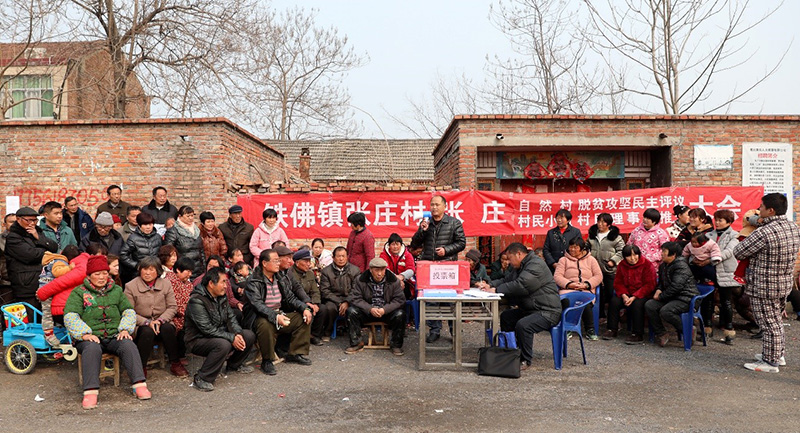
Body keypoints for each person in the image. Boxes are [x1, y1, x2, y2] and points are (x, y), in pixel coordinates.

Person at [63, 255, 151, 409]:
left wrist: (124, 329)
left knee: (128, 345)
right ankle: (90, 392)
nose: (102, 277)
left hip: (113, 334)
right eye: (97, 274)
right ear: (89, 276)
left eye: (104, 273)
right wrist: (84, 333)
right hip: (89, 337)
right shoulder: (79, 292)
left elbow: (128, 311)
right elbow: (70, 315)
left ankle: (139, 384)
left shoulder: (116, 290)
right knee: (91, 349)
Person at [735, 193, 800, 373]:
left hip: (764, 285)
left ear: (770, 210)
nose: (759, 210)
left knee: (768, 324)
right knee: (776, 321)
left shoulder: (765, 232)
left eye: (761, 207)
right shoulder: (793, 226)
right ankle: (777, 354)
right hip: (783, 283)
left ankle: (770, 362)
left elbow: (739, 251)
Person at [477, 243, 561, 371]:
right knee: (506, 316)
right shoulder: (520, 266)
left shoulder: (535, 265)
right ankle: (511, 351)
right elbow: (507, 280)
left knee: (523, 325)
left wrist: (497, 289)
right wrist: (490, 285)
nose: (509, 262)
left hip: (547, 311)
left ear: (519, 254)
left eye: (510, 258)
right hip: (531, 309)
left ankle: (525, 359)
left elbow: (522, 285)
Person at [184, 266, 256, 391]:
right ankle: (202, 377)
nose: (226, 286)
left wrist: (237, 334)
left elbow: (231, 319)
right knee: (223, 344)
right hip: (198, 340)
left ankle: (234, 365)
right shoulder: (196, 301)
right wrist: (231, 337)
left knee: (248, 335)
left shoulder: (221, 297)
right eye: (223, 282)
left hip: (219, 334)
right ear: (211, 284)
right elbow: (206, 329)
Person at [243, 249, 313, 376]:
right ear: (264, 263)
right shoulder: (253, 281)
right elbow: (258, 306)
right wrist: (275, 316)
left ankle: (295, 353)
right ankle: (267, 360)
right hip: (259, 317)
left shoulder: (279, 277)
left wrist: (305, 308)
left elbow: (290, 298)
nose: (278, 263)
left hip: (278, 313)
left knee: (302, 317)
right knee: (264, 324)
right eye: (275, 261)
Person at [410, 195, 466, 343]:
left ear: (444, 207)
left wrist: (446, 250)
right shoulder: (426, 223)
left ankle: (455, 332)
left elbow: (461, 243)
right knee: (431, 301)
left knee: (451, 301)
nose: (434, 207)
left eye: (437, 205)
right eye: (432, 205)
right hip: (430, 268)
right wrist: (422, 230)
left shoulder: (454, 223)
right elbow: (414, 244)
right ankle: (435, 330)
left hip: (448, 268)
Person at [124, 256, 188, 377]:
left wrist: (160, 320)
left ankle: (175, 363)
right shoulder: (130, 286)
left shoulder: (166, 284)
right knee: (147, 331)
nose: (147, 273)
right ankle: (140, 367)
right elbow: (128, 312)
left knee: (168, 328)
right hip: (141, 324)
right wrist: (147, 322)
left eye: (151, 269)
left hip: (161, 321)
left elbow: (172, 307)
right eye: (144, 269)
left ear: (158, 271)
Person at [344, 257, 406, 356]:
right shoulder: (360, 280)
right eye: (377, 270)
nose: (379, 273)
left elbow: (400, 300)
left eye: (382, 270)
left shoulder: (394, 281)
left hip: (386, 312)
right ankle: (356, 343)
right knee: (351, 311)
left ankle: (396, 345)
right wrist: (370, 308)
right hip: (367, 311)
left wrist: (384, 309)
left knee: (400, 314)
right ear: (370, 270)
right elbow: (355, 298)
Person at [645, 242, 700, 348]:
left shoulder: (681, 266)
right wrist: (658, 290)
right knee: (650, 305)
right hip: (671, 297)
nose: (661, 254)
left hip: (686, 298)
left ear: (673, 254)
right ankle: (661, 333)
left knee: (666, 311)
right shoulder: (663, 266)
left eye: (664, 252)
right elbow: (662, 283)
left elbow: (676, 287)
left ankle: (688, 330)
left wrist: (661, 297)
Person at [5, 206, 58, 313]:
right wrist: (46, 252)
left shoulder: (37, 232)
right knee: (30, 317)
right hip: (26, 284)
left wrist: (38, 237)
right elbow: (30, 255)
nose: (32, 223)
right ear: (19, 219)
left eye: (35, 220)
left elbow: (53, 247)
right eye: (29, 220)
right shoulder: (13, 237)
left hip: (42, 282)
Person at [604, 245, 656, 343]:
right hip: (626, 293)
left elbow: (650, 284)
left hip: (642, 294)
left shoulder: (647, 265)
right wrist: (624, 295)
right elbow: (618, 282)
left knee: (637, 304)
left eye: (635, 255)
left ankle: (637, 333)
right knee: (614, 301)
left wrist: (634, 296)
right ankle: (612, 329)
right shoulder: (622, 265)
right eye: (629, 256)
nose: (632, 258)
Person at [554, 237, 603, 340]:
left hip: (585, 289)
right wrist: (569, 284)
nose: (572, 249)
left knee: (586, 302)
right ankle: (567, 328)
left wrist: (587, 284)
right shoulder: (563, 260)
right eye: (571, 247)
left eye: (575, 247)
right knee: (567, 301)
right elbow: (557, 277)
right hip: (568, 289)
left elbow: (598, 276)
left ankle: (590, 329)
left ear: (582, 249)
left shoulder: (591, 260)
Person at [707, 209, 741, 345]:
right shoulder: (710, 234)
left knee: (726, 302)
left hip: (726, 272)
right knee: (708, 301)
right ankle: (707, 328)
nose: (717, 222)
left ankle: (729, 330)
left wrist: (712, 258)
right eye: (716, 219)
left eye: (721, 220)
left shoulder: (734, 235)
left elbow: (729, 251)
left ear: (729, 222)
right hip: (710, 271)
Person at [37, 245, 77, 347]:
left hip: (48, 290)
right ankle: (48, 334)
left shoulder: (53, 259)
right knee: (47, 314)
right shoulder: (60, 261)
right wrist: (69, 268)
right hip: (46, 292)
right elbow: (57, 272)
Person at [319, 246, 361, 341]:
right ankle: (327, 332)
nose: (341, 259)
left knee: (354, 309)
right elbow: (325, 291)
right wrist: (340, 302)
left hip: (350, 299)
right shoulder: (326, 271)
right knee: (329, 308)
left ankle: (355, 334)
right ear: (333, 258)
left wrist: (347, 302)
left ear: (347, 257)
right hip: (333, 299)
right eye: (338, 256)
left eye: (343, 256)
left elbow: (356, 290)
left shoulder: (355, 270)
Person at [587, 213, 624, 319]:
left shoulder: (615, 237)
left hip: (609, 270)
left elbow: (621, 251)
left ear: (609, 224)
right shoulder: (593, 235)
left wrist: (613, 261)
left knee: (610, 292)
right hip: (594, 270)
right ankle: (600, 316)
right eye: (599, 221)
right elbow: (586, 249)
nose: (600, 224)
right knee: (598, 294)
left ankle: (613, 316)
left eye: (603, 222)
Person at [288, 248, 324, 345]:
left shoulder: (310, 273)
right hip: (297, 302)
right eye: (306, 261)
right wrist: (307, 304)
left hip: (309, 300)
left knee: (322, 309)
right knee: (306, 311)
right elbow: (293, 294)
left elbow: (315, 291)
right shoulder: (290, 274)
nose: (309, 264)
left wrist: (315, 303)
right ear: (297, 262)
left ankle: (314, 335)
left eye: (309, 261)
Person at [165, 257, 195, 360]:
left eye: (191, 272)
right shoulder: (170, 281)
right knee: (182, 326)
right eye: (188, 271)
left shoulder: (188, 283)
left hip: (188, 313)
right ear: (178, 269)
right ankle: (178, 356)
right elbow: (175, 305)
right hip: (173, 315)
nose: (190, 274)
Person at [120, 212, 162, 284]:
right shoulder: (133, 238)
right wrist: (136, 265)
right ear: (139, 226)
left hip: (156, 272)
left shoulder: (157, 237)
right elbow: (123, 254)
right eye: (145, 224)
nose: (148, 227)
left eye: (150, 224)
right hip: (139, 274)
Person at [164, 206, 205, 279]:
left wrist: (204, 267)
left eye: (192, 215)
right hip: (183, 269)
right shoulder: (173, 231)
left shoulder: (197, 230)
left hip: (199, 269)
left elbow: (201, 250)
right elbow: (168, 252)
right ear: (180, 216)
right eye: (188, 216)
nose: (190, 218)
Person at [627, 208, 671, 273]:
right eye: (644, 217)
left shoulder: (661, 233)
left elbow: (665, 249)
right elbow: (629, 244)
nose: (645, 220)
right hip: (636, 265)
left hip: (653, 267)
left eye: (648, 219)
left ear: (654, 221)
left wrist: (651, 258)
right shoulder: (636, 231)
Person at [379, 233, 417, 299]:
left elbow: (411, 270)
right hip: (388, 281)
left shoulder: (408, 255)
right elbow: (385, 269)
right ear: (389, 246)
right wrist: (397, 280)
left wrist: (402, 276)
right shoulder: (383, 255)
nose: (395, 247)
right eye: (393, 244)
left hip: (405, 281)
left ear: (401, 245)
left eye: (397, 244)